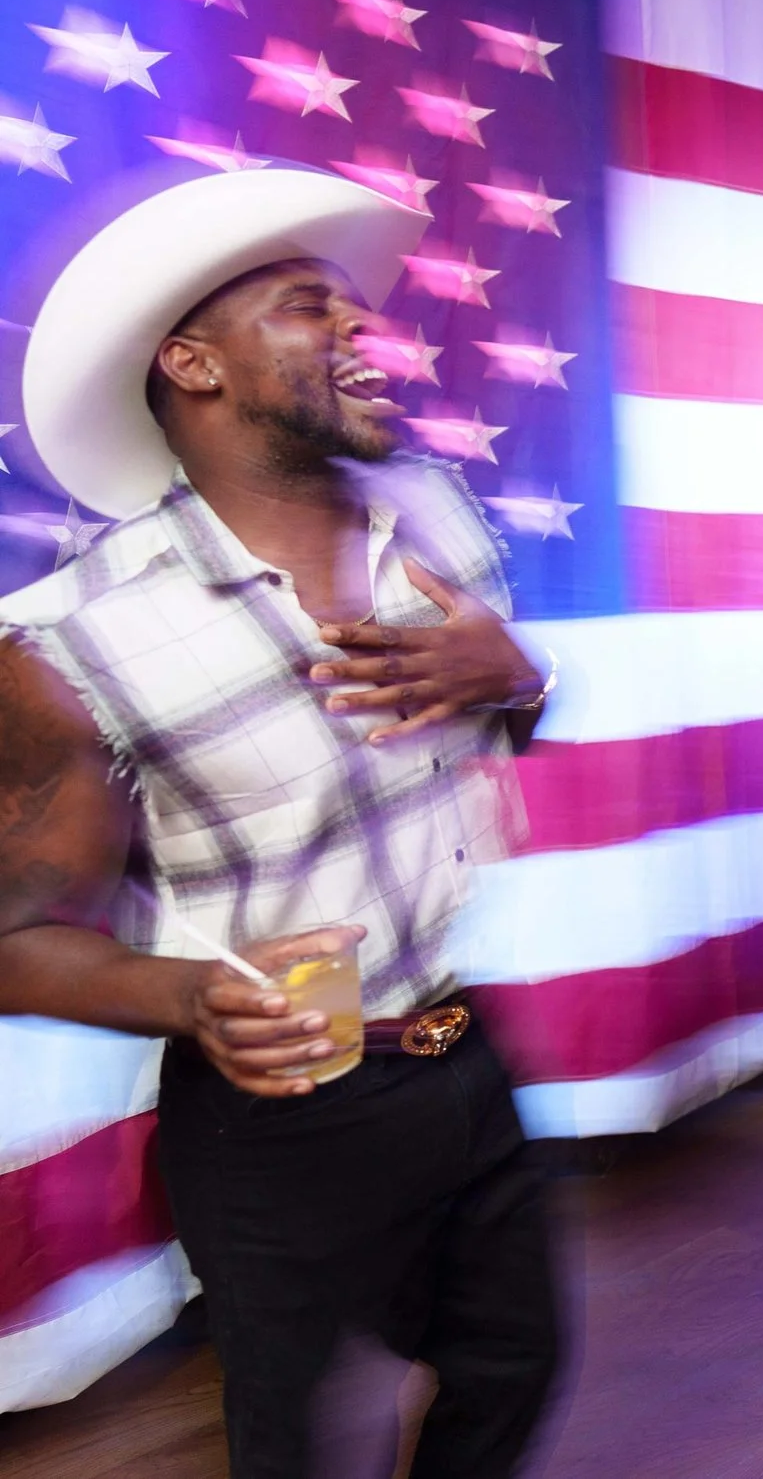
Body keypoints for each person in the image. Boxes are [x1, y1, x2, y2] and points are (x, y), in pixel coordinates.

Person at [0, 169, 559, 1479]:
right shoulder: (77, 641)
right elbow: (15, 933)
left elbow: (507, 719)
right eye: (311, 309)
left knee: (515, 1366)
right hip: (277, 1119)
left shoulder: (435, 524)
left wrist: (516, 674)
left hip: (458, 1052)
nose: (361, 330)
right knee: (299, 1440)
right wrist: (192, 996)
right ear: (191, 364)